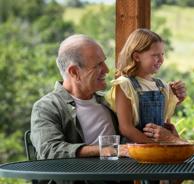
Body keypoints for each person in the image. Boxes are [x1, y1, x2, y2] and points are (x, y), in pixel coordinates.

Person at [30, 34, 130, 184]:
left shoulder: (110, 102)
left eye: (104, 62)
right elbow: (50, 151)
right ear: (74, 72)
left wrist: (171, 98)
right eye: (97, 65)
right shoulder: (46, 107)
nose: (107, 69)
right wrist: (105, 150)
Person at [106, 28, 186, 143]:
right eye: (155, 55)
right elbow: (126, 129)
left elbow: (166, 122)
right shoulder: (124, 84)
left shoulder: (162, 86)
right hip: (136, 153)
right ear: (137, 57)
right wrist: (155, 147)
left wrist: (178, 98)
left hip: (160, 151)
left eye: (162, 54)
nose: (161, 59)